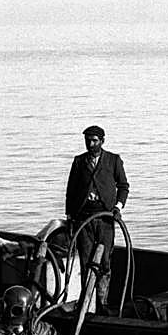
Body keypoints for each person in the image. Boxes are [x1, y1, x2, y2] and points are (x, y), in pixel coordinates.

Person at [64, 125, 130, 314]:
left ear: (102, 141)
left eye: (94, 140)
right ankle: (88, 303)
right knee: (85, 262)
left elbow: (123, 186)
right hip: (83, 219)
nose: (90, 144)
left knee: (105, 263)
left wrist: (118, 207)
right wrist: (70, 215)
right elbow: (71, 190)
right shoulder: (78, 161)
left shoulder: (113, 160)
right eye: (87, 140)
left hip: (106, 219)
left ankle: (103, 302)